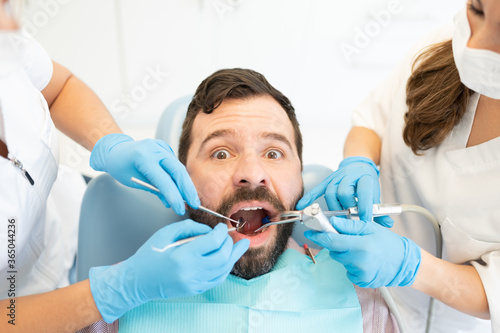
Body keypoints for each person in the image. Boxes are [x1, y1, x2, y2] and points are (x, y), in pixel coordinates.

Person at [78, 68, 401, 332]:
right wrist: (118, 289)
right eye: (220, 153)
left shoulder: (365, 297)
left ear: (299, 179)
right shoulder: (123, 287)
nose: (252, 173)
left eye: (274, 153)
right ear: (183, 178)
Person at [0, 1, 237, 331]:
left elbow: (59, 88)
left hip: (71, 209)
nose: (11, 27)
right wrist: (109, 293)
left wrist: (111, 142)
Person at [297, 1, 498, 332]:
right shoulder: (442, 47)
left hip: (431, 319)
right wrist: (358, 161)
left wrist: (413, 268)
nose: (473, 45)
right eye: (477, 9)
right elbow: (371, 123)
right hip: (348, 283)